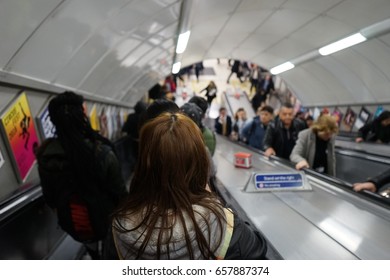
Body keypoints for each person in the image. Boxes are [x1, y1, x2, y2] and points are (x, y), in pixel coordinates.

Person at [111, 113, 267, 259]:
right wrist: (216, 203)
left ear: (144, 165)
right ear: (199, 164)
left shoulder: (120, 228)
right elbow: (258, 250)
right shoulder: (221, 224)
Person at [36, 91, 127, 259]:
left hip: (74, 224)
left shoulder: (46, 155)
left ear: (54, 121)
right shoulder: (102, 152)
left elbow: (50, 197)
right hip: (106, 221)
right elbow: (120, 193)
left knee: (92, 246)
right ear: (82, 116)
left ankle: (94, 256)